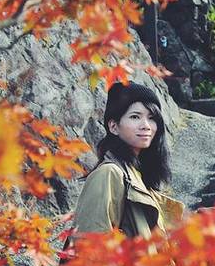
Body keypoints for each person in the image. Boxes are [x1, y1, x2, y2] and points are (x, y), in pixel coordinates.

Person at [72, 81, 184, 240]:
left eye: (152, 118)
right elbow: (89, 244)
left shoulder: (139, 177)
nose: (146, 125)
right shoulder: (109, 173)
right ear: (113, 126)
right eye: (135, 117)